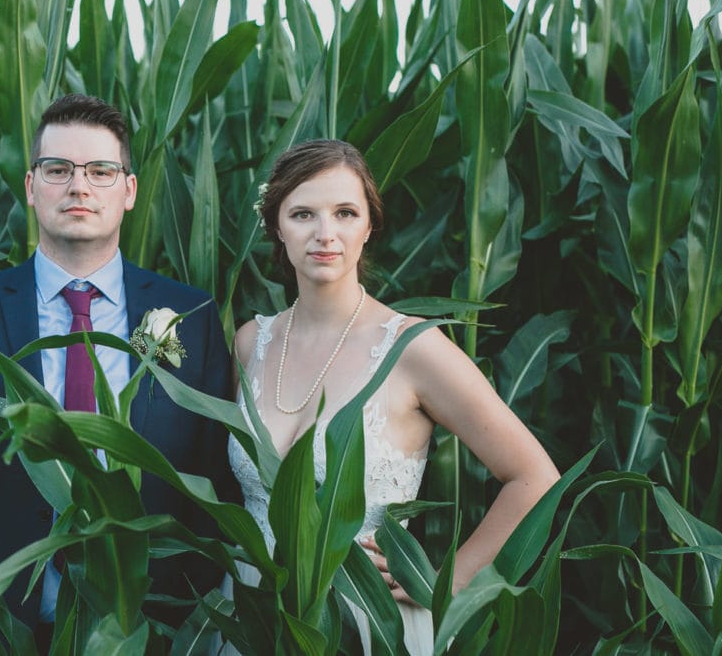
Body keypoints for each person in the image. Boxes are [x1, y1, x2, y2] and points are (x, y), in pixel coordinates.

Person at [0, 94, 234, 655]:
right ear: (30, 187)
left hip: (150, 633)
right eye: (58, 170)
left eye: (101, 170)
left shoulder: (189, 318)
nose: (79, 187)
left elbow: (217, 491)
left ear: (129, 191)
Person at [227, 139, 559, 655]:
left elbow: (536, 477)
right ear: (276, 227)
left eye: (345, 213)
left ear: (368, 226)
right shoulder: (252, 343)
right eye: (302, 214)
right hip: (249, 614)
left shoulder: (413, 348)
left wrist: (451, 579)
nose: (325, 234)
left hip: (363, 620)